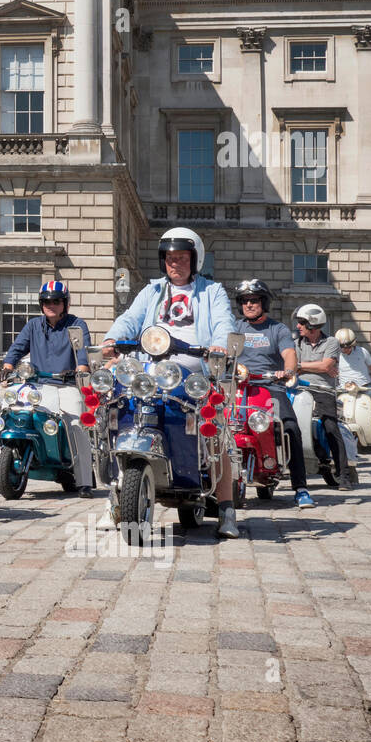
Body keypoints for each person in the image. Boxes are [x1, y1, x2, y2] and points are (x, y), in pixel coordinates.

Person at [101, 227, 241, 538]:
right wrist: (113, 336)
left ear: (194, 259)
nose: (174, 263)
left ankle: (227, 510)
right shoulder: (151, 291)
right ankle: (115, 497)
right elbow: (130, 318)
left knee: (215, 431)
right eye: (169, 258)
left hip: (193, 371)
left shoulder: (211, 291)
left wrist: (219, 344)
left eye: (181, 258)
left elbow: (223, 322)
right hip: (150, 369)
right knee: (116, 411)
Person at [0, 284, 95, 498]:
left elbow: (82, 352)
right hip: (37, 385)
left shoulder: (76, 325)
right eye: (47, 301)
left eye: (56, 301)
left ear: (65, 303)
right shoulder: (33, 325)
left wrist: (82, 368)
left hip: (66, 384)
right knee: (4, 415)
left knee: (76, 425)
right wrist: (8, 366)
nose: (51, 305)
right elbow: (17, 348)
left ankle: (84, 481)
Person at [234, 280, 315, 508]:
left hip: (270, 386)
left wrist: (287, 370)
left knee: (290, 427)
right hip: (239, 387)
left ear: (264, 302)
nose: (249, 304)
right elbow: (223, 349)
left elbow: (289, 354)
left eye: (255, 300)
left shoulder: (277, 329)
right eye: (245, 301)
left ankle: (301, 488)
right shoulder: (235, 328)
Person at [292, 304, 355, 488]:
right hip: (300, 390)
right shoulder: (296, 343)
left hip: (323, 389)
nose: (298, 326)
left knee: (330, 427)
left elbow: (326, 366)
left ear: (313, 324)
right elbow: (293, 365)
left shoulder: (331, 343)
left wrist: (301, 366)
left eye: (302, 323)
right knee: (285, 423)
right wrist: (316, 365)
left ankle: (344, 475)